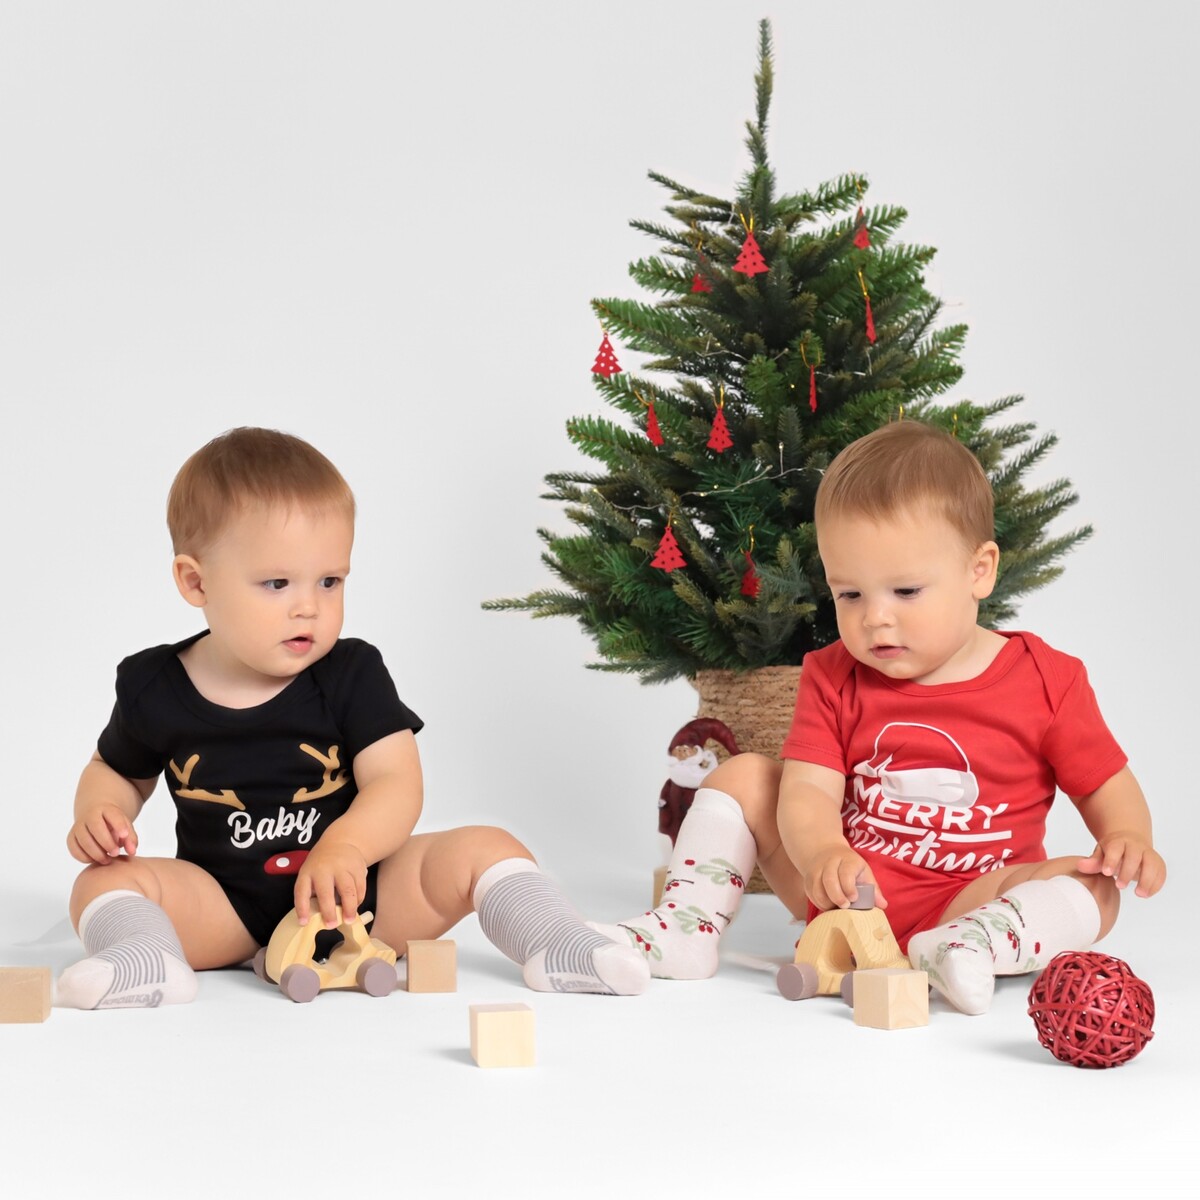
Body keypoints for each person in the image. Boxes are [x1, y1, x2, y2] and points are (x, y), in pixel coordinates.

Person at [60, 426, 648, 1009]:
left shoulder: (350, 673)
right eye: (276, 583)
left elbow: (396, 782)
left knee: (487, 845)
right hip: (223, 909)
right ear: (196, 581)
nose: (308, 607)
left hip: (362, 899)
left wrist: (346, 847)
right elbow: (117, 770)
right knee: (102, 882)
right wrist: (100, 811)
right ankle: (145, 958)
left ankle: (557, 942)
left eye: (329, 581)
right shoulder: (154, 685)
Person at [595, 420, 1165, 1013]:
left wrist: (1128, 837)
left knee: (1096, 886)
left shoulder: (1046, 679)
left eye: (906, 592)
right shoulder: (833, 674)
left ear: (979, 570)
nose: (874, 618)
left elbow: (1102, 782)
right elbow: (809, 790)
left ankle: (969, 945)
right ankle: (685, 929)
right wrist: (822, 853)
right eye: (850, 594)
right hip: (848, 897)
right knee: (744, 775)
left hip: (975, 895)